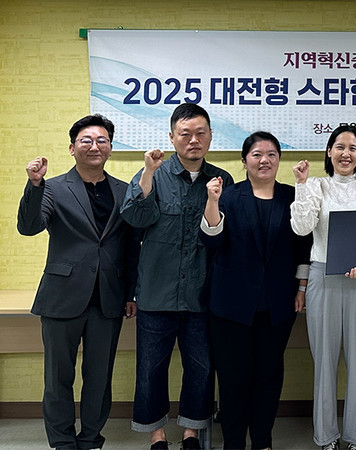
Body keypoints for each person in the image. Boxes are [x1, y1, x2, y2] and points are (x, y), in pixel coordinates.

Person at [17, 114, 140, 450]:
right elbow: (29, 227)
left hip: (108, 297)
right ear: (72, 148)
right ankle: (61, 441)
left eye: (102, 140)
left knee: (99, 377)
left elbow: (131, 247)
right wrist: (34, 185)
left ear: (111, 148)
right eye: (86, 140)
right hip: (62, 295)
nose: (94, 145)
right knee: (58, 377)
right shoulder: (53, 186)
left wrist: (130, 292)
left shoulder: (124, 190)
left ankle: (90, 438)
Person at [121, 103, 234, 450]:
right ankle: (157, 435)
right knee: (151, 368)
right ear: (172, 137)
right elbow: (134, 219)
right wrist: (147, 174)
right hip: (156, 291)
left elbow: (224, 238)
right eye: (185, 134)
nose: (193, 140)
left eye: (201, 133)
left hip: (202, 293)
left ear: (211, 137)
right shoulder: (153, 173)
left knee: (200, 367)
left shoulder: (222, 181)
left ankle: (190, 433)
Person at [199, 131, 311, 449]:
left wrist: (301, 287)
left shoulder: (292, 197)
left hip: (277, 304)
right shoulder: (228, 196)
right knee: (233, 380)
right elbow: (211, 240)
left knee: (268, 377)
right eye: (257, 154)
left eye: (272, 154)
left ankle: (262, 439)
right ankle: (233, 441)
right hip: (230, 306)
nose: (265, 160)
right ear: (244, 160)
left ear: (279, 159)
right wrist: (211, 201)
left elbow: (305, 246)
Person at [290, 125, 356, 450]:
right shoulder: (315, 185)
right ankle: (326, 436)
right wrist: (301, 186)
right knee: (325, 360)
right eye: (340, 147)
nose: (346, 153)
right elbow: (302, 227)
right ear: (329, 152)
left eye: (353, 148)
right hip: (323, 279)